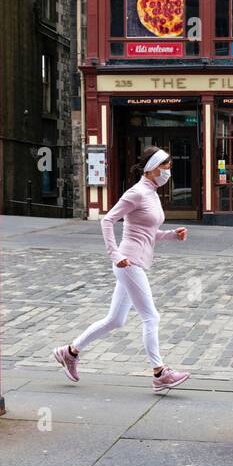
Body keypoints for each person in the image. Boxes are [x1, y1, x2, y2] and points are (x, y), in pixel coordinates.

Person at [53, 146, 190, 391]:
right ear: (152, 169)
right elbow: (107, 220)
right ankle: (159, 373)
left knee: (115, 320)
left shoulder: (153, 193)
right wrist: (115, 255)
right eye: (166, 168)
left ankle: (70, 352)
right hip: (129, 262)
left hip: (136, 262)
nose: (168, 173)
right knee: (151, 316)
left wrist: (171, 235)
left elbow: (147, 233)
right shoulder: (136, 193)